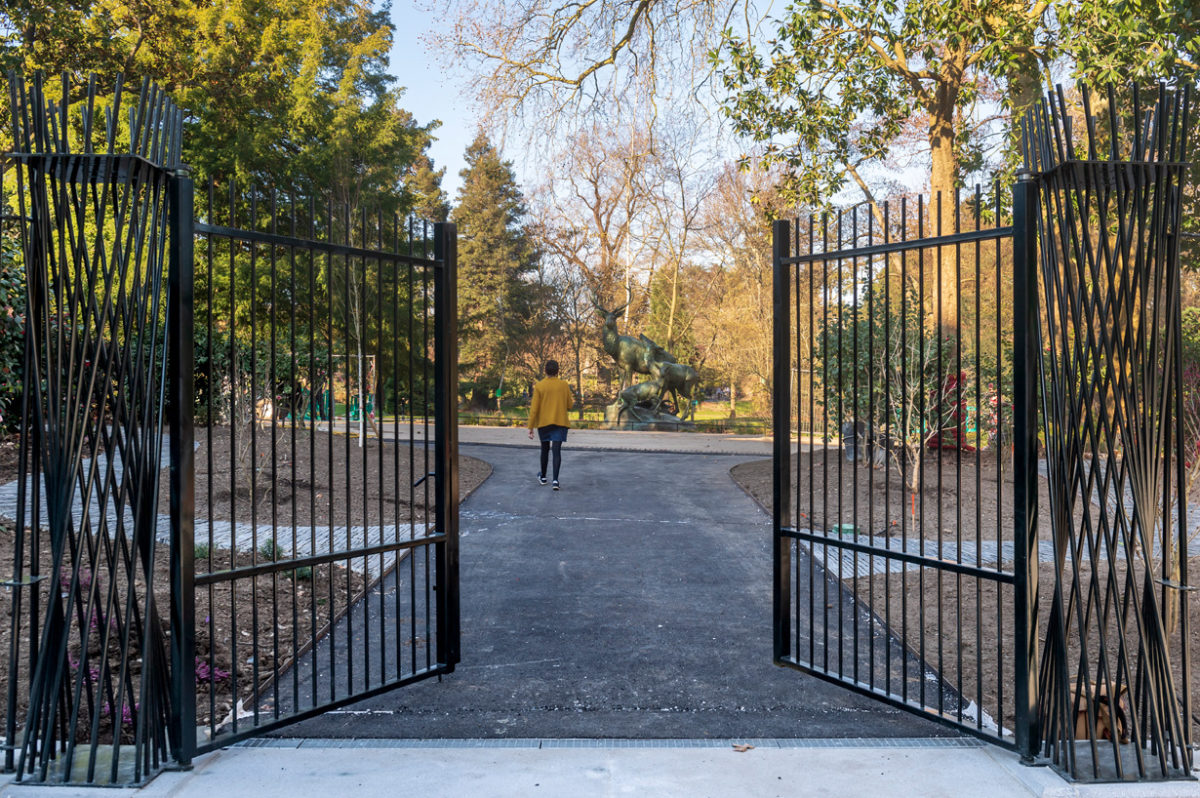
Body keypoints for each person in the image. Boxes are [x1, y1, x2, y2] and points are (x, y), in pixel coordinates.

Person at [527, 359, 573, 490]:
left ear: (545, 371)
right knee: (557, 451)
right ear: (558, 371)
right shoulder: (564, 385)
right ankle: (555, 481)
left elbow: (534, 408)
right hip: (560, 422)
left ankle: (543, 477)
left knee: (545, 449)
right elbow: (570, 405)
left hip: (544, 423)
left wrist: (530, 427)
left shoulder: (540, 386)